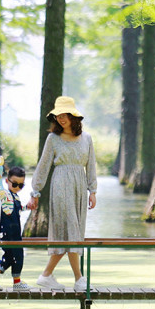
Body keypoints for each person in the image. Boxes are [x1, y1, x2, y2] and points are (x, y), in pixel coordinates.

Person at [27, 96, 97, 292]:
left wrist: (93, 190)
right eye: (58, 116)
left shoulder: (87, 139)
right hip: (60, 185)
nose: (61, 119)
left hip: (79, 186)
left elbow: (91, 166)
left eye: (64, 115)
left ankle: (46, 275)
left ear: (74, 116)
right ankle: (79, 279)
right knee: (70, 229)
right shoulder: (53, 139)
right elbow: (42, 167)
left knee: (72, 231)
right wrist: (35, 191)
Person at [0, 161, 30, 291]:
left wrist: (27, 207)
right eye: (14, 184)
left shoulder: (15, 197)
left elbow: (18, 209)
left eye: (21, 185)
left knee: (10, 256)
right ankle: (17, 282)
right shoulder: (5, 195)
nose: (17, 187)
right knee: (18, 255)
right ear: (7, 181)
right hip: (10, 232)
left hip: (14, 231)